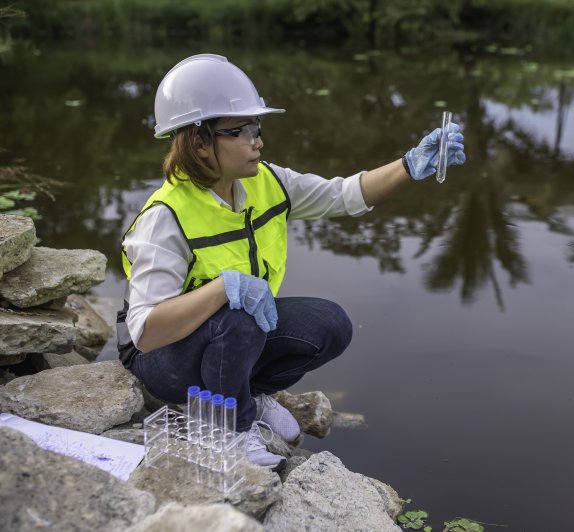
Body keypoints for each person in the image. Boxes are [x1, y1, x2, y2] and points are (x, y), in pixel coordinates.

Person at [116, 53, 466, 471]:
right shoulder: (165, 216)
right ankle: (231, 429)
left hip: (228, 338)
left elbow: (343, 195)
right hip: (163, 362)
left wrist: (409, 166)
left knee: (329, 324)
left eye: (257, 127)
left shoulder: (267, 181)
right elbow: (147, 333)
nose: (257, 140)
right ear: (199, 142)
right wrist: (222, 288)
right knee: (239, 312)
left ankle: (246, 393)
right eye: (241, 130)